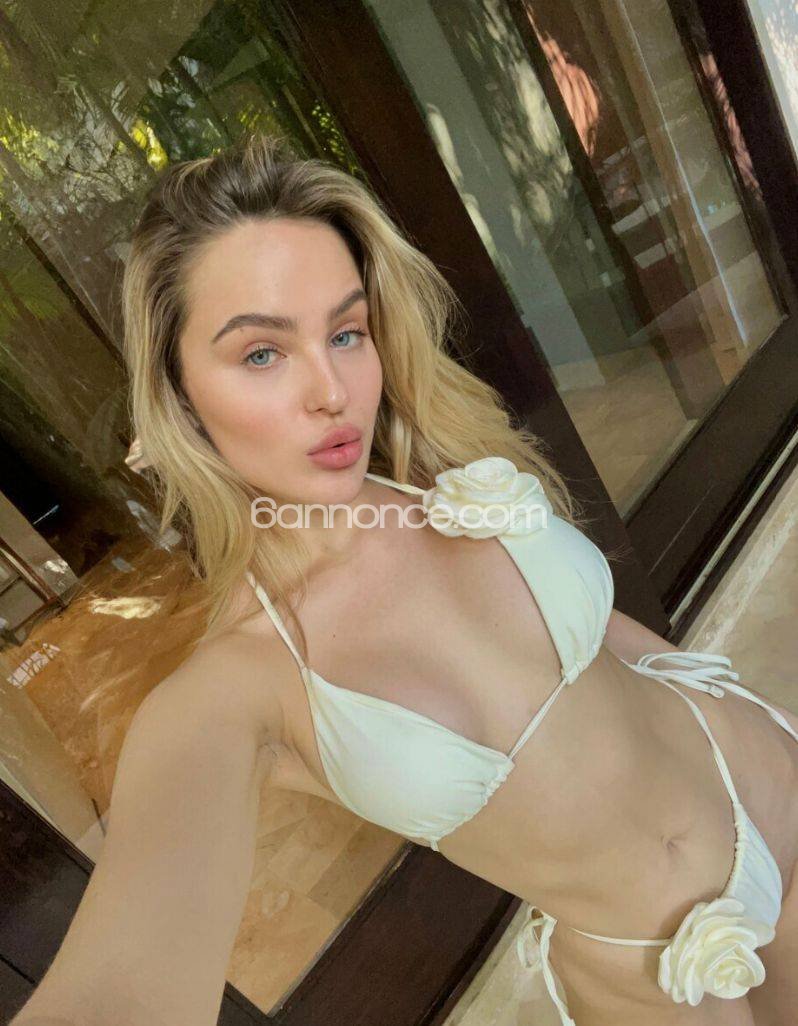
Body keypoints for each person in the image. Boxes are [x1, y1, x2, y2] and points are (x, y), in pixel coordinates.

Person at [12, 131, 797, 1026]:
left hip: (764, 783)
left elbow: (594, 648)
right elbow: (122, 985)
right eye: (262, 353)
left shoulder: (443, 472)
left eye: (347, 333)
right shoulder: (233, 692)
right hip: (652, 972)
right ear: (180, 394)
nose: (333, 391)